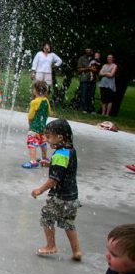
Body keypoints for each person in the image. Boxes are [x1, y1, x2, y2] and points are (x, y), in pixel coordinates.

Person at [31, 119, 82, 260]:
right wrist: (51, 164)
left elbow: (54, 180)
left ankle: (51, 246)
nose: (46, 140)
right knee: (68, 224)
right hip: (72, 197)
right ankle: (77, 251)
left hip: (60, 197)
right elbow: (64, 169)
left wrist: (40, 190)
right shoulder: (70, 151)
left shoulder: (60, 155)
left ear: (60, 137)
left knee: (47, 218)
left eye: (49, 136)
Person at [22, 80, 51, 168]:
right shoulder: (46, 101)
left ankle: (33, 161)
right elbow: (48, 112)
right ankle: (44, 158)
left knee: (32, 144)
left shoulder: (34, 102)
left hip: (34, 127)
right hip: (43, 127)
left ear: (35, 91)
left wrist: (30, 125)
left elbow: (31, 116)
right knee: (42, 143)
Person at [77, 48, 95, 113]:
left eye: (89, 50)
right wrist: (88, 68)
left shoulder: (94, 59)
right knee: (83, 94)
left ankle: (91, 109)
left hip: (92, 79)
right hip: (84, 78)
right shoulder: (81, 59)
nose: (88, 51)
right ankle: (83, 108)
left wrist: (94, 69)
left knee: (91, 95)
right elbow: (79, 69)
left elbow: (96, 69)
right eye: (87, 50)